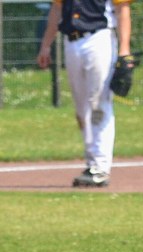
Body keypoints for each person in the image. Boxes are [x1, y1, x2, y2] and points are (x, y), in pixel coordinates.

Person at [36, 0, 134, 188]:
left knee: (99, 102)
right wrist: (46, 45)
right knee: (81, 108)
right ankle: (91, 163)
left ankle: (100, 167)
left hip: (99, 39)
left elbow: (123, 9)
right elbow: (56, 10)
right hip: (71, 42)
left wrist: (124, 51)